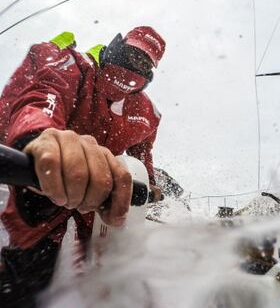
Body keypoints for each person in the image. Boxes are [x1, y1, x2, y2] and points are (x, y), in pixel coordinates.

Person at [0, 26, 165, 306]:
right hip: (42, 181)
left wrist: (149, 185)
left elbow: (143, 157)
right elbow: (44, 97)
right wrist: (39, 138)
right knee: (28, 277)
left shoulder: (147, 113)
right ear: (116, 45)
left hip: (98, 204)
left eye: (144, 63)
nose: (133, 67)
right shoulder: (75, 66)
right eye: (130, 55)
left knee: (103, 283)